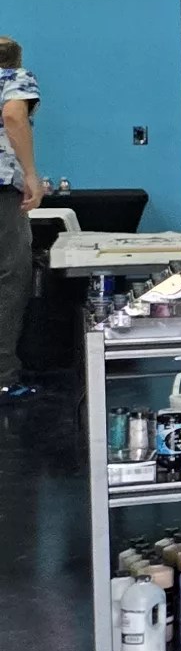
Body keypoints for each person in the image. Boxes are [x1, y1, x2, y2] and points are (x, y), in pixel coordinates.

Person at [0, 36, 38, 400]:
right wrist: (30, 174)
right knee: (10, 276)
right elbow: (13, 115)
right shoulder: (13, 77)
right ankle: (3, 375)